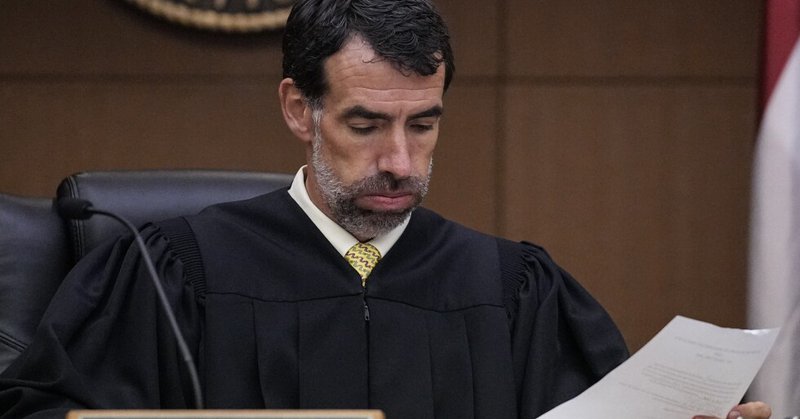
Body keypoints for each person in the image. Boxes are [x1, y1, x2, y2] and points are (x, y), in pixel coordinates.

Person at [0, 1, 773, 418]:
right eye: (367, 125)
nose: (401, 161)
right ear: (299, 109)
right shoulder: (172, 272)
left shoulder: (512, 289)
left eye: (424, 123)